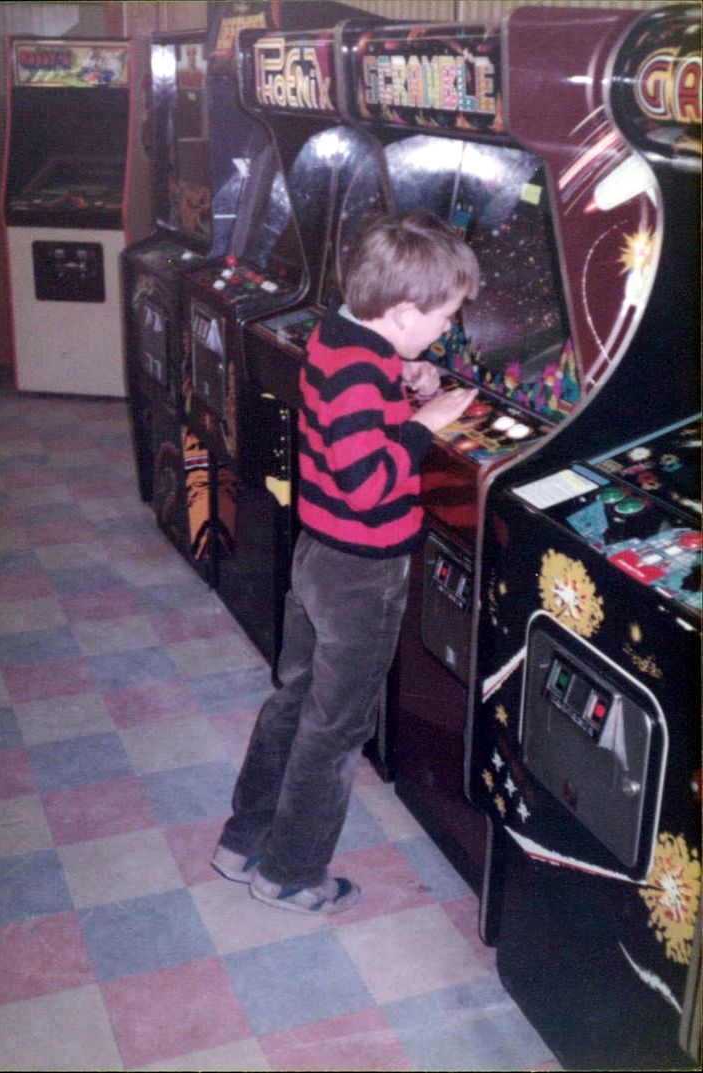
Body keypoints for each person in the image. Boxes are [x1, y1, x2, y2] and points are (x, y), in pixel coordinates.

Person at [212, 210, 480, 914]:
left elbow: (354, 411)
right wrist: (423, 423)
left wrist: (403, 376)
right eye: (443, 317)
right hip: (362, 569)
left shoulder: (340, 334)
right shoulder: (369, 368)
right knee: (336, 727)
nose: (447, 330)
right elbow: (370, 484)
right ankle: (292, 871)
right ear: (400, 311)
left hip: (317, 554)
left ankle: (244, 839)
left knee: (294, 697)